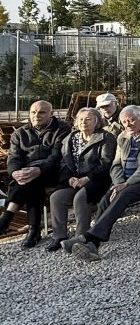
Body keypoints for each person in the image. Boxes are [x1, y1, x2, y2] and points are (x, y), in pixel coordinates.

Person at [63, 106, 140, 261]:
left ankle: (86, 236)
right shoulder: (123, 137)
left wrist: (127, 183)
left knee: (123, 195)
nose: (128, 124)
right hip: (125, 181)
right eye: (124, 121)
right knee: (105, 200)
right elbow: (116, 165)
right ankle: (92, 245)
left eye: (131, 120)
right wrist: (118, 183)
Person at [0, 101, 71, 247]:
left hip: (54, 172)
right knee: (32, 182)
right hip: (29, 176)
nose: (36, 116)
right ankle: (33, 231)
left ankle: (8, 219)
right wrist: (14, 173)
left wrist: (38, 169)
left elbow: (57, 156)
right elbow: (14, 157)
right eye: (33, 112)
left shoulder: (62, 129)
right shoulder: (19, 133)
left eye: (42, 112)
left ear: (51, 114)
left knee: (32, 177)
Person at [45, 108, 116, 252]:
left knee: (80, 198)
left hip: (98, 180)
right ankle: (59, 236)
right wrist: (68, 178)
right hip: (74, 180)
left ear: (97, 121)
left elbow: (106, 162)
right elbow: (64, 161)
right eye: (81, 119)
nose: (84, 122)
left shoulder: (106, 137)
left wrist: (87, 178)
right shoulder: (71, 138)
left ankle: (81, 236)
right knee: (56, 197)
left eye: (88, 119)